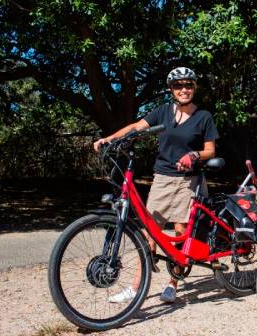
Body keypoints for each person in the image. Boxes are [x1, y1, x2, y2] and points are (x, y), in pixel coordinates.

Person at [93, 67, 219, 303]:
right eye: (179, 86)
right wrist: (109, 139)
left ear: (194, 88)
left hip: (188, 180)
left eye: (189, 85)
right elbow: (135, 127)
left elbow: (210, 150)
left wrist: (194, 155)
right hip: (162, 178)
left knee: (181, 232)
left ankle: (173, 283)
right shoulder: (162, 112)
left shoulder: (204, 117)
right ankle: (135, 288)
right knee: (149, 233)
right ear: (171, 89)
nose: (184, 90)